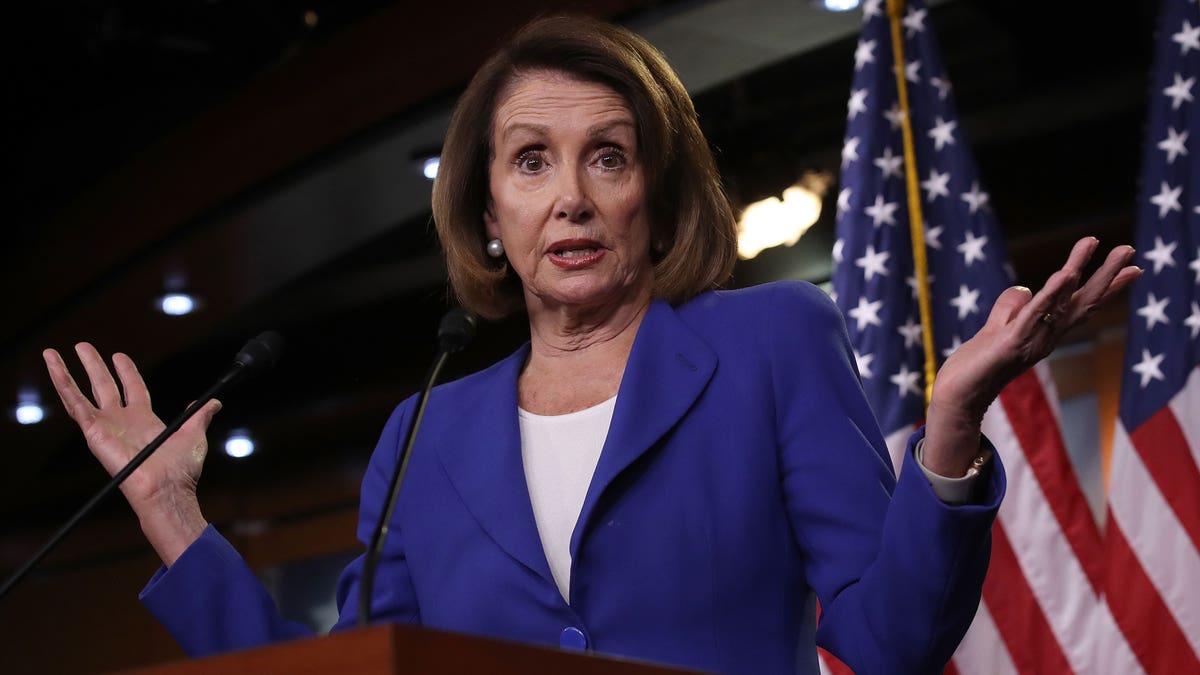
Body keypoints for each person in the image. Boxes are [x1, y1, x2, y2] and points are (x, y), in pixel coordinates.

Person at [41, 15, 1140, 675]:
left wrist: (948, 437)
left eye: (607, 157)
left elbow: (891, 643)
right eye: (530, 162)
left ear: (654, 201)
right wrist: (175, 518)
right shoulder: (422, 432)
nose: (569, 197)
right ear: (485, 216)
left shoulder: (768, 345)